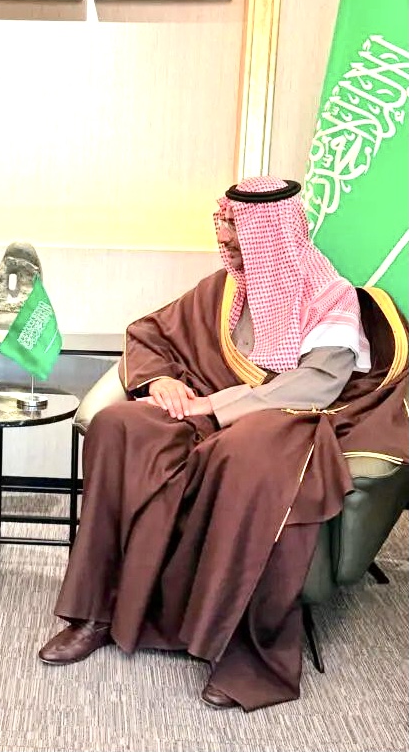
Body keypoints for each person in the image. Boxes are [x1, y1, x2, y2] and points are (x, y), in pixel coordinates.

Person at [38, 176, 409, 711]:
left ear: (272, 233)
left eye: (236, 227)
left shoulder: (331, 298)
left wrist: (218, 406)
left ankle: (241, 647)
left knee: (248, 455)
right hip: (206, 411)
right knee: (120, 427)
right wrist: (159, 380)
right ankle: (96, 612)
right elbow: (150, 332)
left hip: (283, 421)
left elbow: (317, 384)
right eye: (224, 224)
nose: (224, 238)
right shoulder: (224, 289)